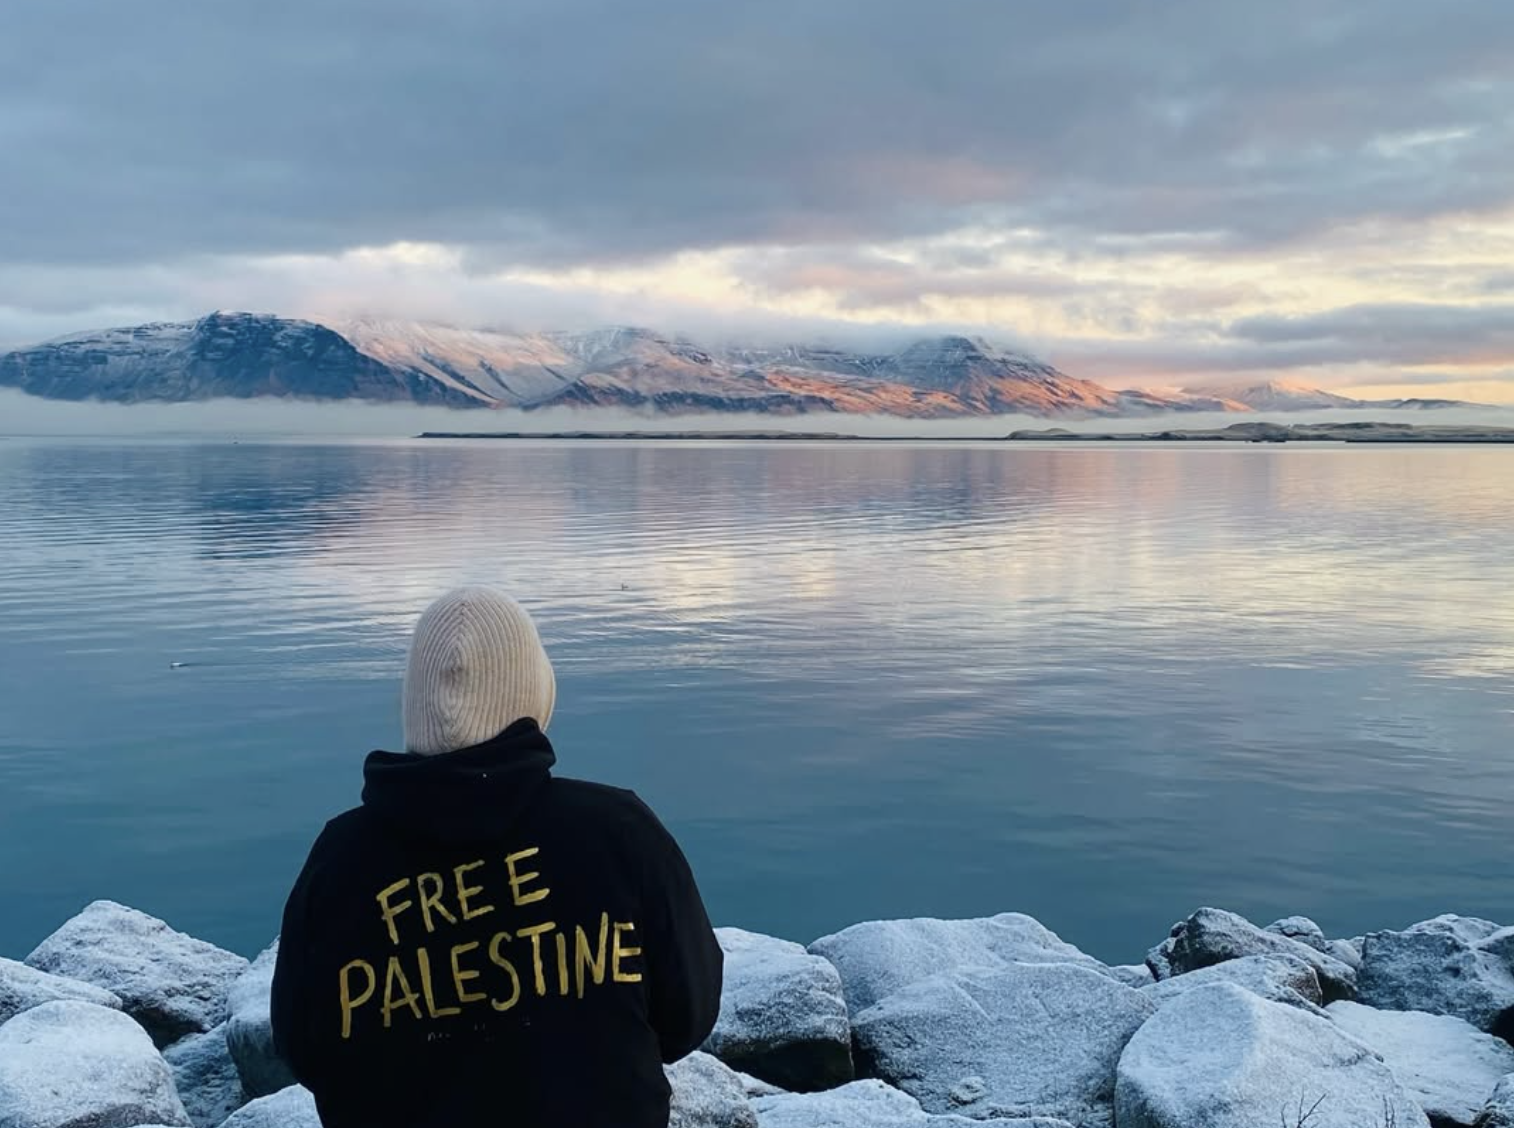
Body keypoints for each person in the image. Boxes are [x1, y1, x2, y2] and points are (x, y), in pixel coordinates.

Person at [270, 587, 724, 1128]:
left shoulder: (341, 860)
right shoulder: (620, 832)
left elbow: (303, 1047)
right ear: (532, 697)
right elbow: (688, 1016)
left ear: (413, 704)